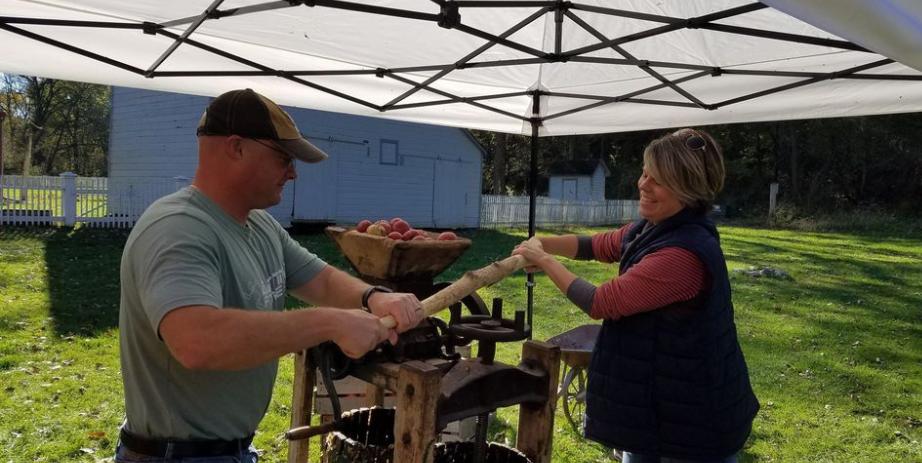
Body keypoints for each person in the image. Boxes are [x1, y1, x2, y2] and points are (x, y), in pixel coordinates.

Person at [115, 88, 424, 462]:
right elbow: (196, 341)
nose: (292, 172)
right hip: (175, 455)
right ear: (236, 147)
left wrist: (374, 298)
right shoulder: (178, 228)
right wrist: (329, 323)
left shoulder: (259, 225)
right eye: (282, 158)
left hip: (228, 451)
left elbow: (321, 280)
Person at [512, 128, 759, 463]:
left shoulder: (682, 254)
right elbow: (598, 245)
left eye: (656, 180)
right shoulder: (653, 226)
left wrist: (543, 260)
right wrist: (542, 242)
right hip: (657, 407)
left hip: (694, 421)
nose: (642, 184)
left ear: (686, 191)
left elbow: (602, 302)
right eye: (645, 173)